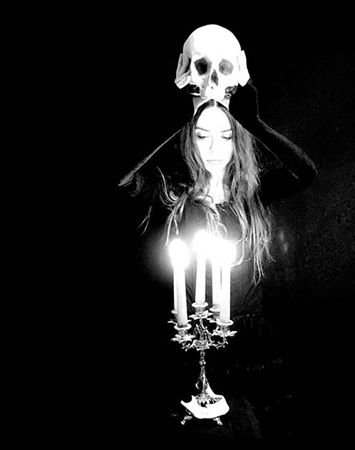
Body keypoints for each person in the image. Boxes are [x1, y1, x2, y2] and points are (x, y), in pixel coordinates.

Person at [118, 79, 317, 404]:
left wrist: (254, 123)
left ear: (237, 139)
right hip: (188, 334)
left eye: (225, 136)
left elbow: (305, 173)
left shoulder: (253, 192)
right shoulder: (172, 192)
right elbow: (122, 180)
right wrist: (179, 117)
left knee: (251, 417)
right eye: (202, 136)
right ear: (189, 139)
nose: (214, 148)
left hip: (248, 338)